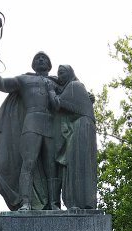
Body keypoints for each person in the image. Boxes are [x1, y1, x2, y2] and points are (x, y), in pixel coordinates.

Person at [0, 43, 59, 211]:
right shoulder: (24, 80)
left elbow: (74, 94)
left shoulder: (57, 82)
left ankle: (54, 204)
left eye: (44, 58)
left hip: (51, 126)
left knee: (52, 167)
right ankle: (25, 202)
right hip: (31, 123)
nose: (40, 59)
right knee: (28, 163)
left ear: (49, 64)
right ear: (33, 64)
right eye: (37, 58)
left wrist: (87, 98)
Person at [48, 65, 97, 209]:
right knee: (77, 163)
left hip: (81, 127)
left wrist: (51, 90)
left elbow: (57, 103)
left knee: (77, 164)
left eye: (62, 73)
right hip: (82, 126)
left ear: (70, 74)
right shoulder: (76, 87)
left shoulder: (74, 86)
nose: (60, 76)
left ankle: (79, 202)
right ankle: (78, 202)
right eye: (58, 74)